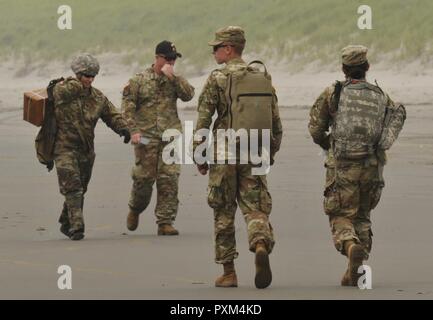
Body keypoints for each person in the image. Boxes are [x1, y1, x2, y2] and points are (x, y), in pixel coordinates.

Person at [308, 45, 406, 286]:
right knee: (362, 215)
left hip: (342, 166)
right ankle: (356, 267)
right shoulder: (380, 95)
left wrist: (327, 145)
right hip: (372, 167)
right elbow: (398, 112)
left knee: (339, 214)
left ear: (344, 69)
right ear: (367, 67)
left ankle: (350, 245)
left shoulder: (334, 92)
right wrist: (383, 143)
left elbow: (315, 127)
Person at [194, 26, 283, 289]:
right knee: (255, 208)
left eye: (217, 47)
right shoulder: (260, 76)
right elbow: (275, 124)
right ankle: (259, 245)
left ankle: (229, 272)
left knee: (223, 211)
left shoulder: (217, 78)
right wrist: (270, 153)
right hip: (255, 151)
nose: (214, 52)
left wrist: (199, 154)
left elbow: (203, 119)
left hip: (224, 154)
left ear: (229, 48)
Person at [54, 53, 130, 241]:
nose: (89, 79)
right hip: (63, 147)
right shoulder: (63, 90)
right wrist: (74, 84)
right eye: (86, 75)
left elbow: (112, 115)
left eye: (92, 76)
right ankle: (77, 227)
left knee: (81, 188)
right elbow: (56, 93)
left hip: (86, 150)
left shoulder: (97, 98)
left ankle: (66, 221)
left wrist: (123, 129)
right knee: (73, 187)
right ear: (78, 74)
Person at [122, 41, 194, 235]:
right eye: (167, 59)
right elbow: (127, 108)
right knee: (144, 179)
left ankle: (165, 222)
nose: (171, 62)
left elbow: (189, 96)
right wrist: (133, 130)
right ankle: (135, 209)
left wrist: (175, 78)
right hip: (146, 138)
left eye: (173, 59)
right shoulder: (139, 80)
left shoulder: (174, 79)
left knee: (169, 178)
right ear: (157, 58)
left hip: (171, 136)